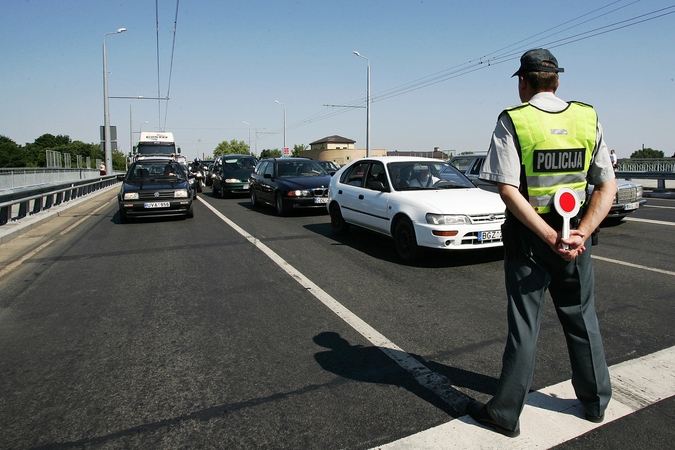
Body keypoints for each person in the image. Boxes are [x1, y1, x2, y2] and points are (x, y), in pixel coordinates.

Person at [471, 48, 616, 438]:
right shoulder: (587, 117)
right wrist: (579, 232)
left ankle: (505, 413)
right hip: (576, 240)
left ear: (523, 82)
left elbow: (507, 189)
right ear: (557, 81)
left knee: (525, 326)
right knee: (582, 318)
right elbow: (607, 186)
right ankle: (596, 401)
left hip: (531, 240)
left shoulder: (514, 121)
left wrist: (549, 235)